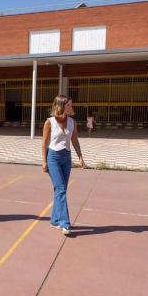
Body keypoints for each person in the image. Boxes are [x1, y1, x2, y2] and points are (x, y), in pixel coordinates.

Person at [41, 94, 85, 235]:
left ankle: (54, 220)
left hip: (66, 158)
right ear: (60, 106)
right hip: (53, 157)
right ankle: (65, 223)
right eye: (68, 105)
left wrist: (80, 157)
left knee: (60, 190)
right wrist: (43, 161)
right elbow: (44, 143)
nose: (70, 108)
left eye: (70, 105)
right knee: (60, 189)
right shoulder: (49, 122)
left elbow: (75, 140)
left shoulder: (72, 122)